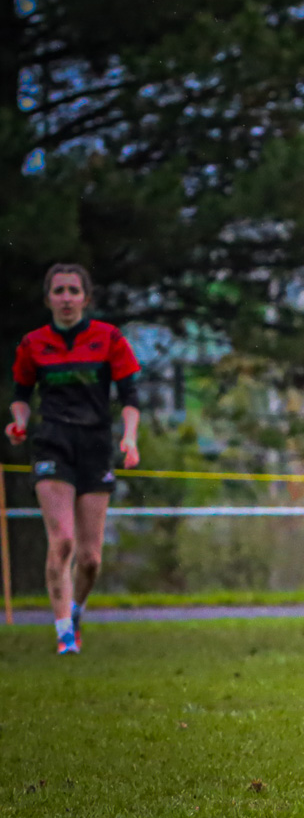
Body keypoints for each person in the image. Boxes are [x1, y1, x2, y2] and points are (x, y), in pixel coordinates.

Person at [7, 263, 141, 656]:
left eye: (73, 291)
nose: (66, 298)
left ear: (86, 297)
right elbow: (21, 396)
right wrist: (18, 423)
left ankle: (77, 611)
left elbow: (130, 397)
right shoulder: (33, 343)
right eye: (59, 291)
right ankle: (64, 633)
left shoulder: (109, 338)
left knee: (90, 558)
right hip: (53, 443)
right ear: (48, 297)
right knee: (61, 540)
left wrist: (129, 439)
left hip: (96, 445)